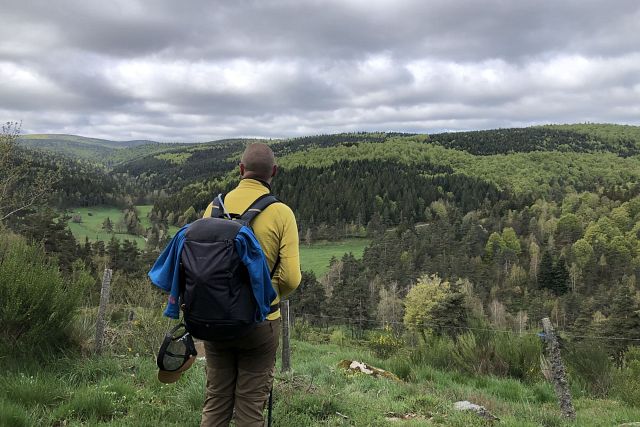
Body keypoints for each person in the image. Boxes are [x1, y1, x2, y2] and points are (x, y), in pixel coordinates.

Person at [200, 143, 301, 427]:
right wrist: (264, 297)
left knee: (216, 399)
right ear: (274, 172)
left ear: (241, 169)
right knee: (250, 407)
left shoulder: (213, 208)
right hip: (260, 321)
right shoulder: (281, 213)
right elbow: (291, 278)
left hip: (215, 319)